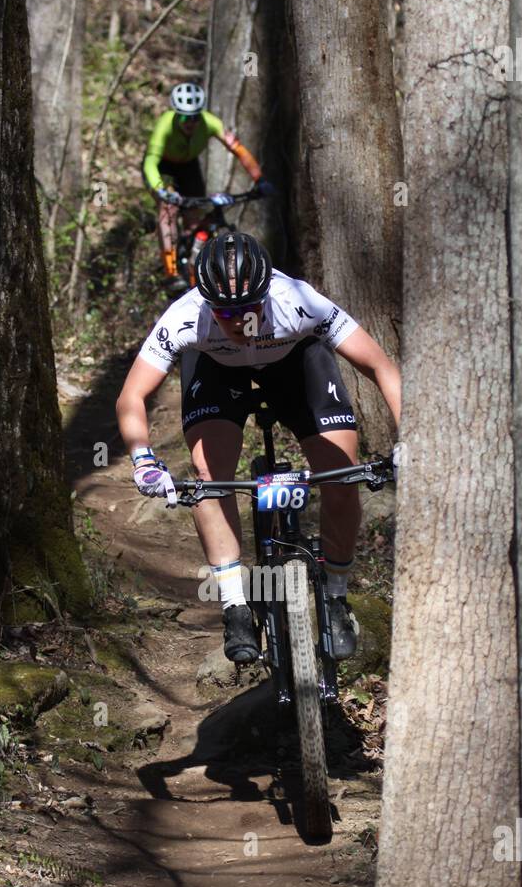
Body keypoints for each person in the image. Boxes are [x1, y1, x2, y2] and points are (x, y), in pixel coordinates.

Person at [116, 232, 402, 664]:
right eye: (226, 311)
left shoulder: (299, 301)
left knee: (342, 476)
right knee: (210, 479)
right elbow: (131, 397)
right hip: (217, 370)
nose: (238, 319)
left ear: (268, 292)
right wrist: (143, 460)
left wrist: (411, 438)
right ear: (206, 301)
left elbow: (379, 365)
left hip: (295, 365)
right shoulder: (184, 317)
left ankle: (337, 598)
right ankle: (235, 607)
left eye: (250, 307)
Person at [142, 83, 273, 292]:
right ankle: (171, 272)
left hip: (189, 167)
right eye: (185, 118)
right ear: (176, 116)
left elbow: (238, 149)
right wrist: (160, 190)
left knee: (195, 222)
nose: (190, 123)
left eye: (195, 117)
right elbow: (150, 162)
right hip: (163, 168)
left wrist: (260, 179)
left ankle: (195, 269)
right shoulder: (164, 125)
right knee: (169, 208)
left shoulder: (210, 122)